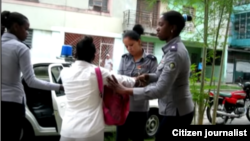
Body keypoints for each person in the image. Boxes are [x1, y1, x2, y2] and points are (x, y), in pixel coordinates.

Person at [107, 11, 194, 141]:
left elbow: (160, 89)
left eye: (161, 24)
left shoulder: (174, 53)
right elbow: (160, 74)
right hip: (171, 109)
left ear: (172, 28)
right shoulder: (170, 49)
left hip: (178, 111)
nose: (157, 28)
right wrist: (148, 76)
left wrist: (125, 90)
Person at [1, 11, 64, 141]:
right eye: (26, 29)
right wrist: (59, 87)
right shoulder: (21, 48)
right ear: (16, 27)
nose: (27, 33)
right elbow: (31, 81)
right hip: (12, 105)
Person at [59, 36, 136, 141]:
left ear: (75, 54)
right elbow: (122, 80)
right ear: (94, 56)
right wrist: (137, 79)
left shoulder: (64, 72)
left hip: (67, 130)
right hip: (91, 130)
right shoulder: (97, 72)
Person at [116, 24, 158, 141]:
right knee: (120, 138)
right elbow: (119, 79)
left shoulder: (151, 60)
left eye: (131, 45)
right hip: (123, 106)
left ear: (139, 41)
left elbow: (155, 82)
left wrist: (145, 83)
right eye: (126, 46)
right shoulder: (124, 58)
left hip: (140, 108)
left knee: (137, 138)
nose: (129, 49)